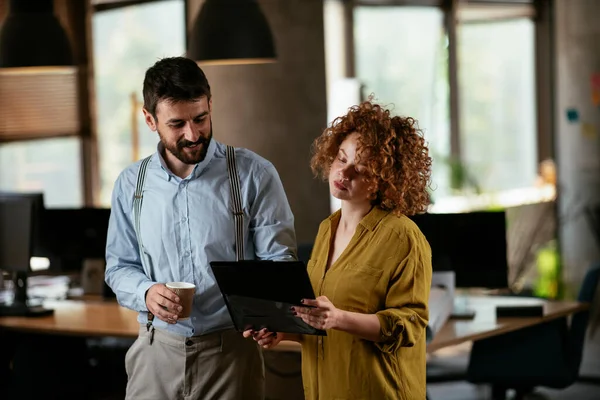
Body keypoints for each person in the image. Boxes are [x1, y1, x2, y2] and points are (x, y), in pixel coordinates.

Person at [105, 56, 297, 400]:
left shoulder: (254, 174)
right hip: (154, 355)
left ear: (210, 105)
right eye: (177, 124)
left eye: (201, 118)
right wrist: (146, 292)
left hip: (231, 357)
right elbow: (118, 267)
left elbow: (278, 261)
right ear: (150, 120)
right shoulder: (130, 185)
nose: (193, 134)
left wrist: (273, 315)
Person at [246, 100, 433, 399]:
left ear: (385, 181)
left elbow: (409, 325)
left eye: (361, 169)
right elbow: (320, 321)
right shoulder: (326, 229)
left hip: (378, 391)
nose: (344, 173)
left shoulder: (404, 238)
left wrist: (339, 318)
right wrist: (283, 331)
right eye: (341, 159)